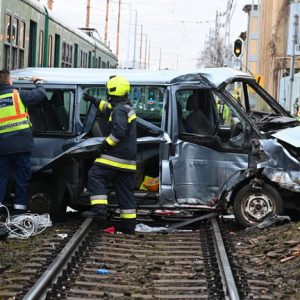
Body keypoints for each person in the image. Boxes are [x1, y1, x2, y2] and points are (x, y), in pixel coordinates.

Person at [82, 75, 137, 234]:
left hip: (116, 157)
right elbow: (109, 108)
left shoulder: (119, 110)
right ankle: (128, 226)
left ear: (112, 90)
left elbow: (118, 133)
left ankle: (99, 209)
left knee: (95, 174)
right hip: (128, 160)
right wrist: (95, 100)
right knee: (125, 192)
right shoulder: (126, 107)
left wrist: (103, 147)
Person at [0, 70, 46, 215]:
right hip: (21, 145)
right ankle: (19, 211)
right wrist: (38, 82)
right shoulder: (19, 95)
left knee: (1, 178)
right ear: (9, 81)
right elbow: (40, 95)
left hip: (2, 148)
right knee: (22, 178)